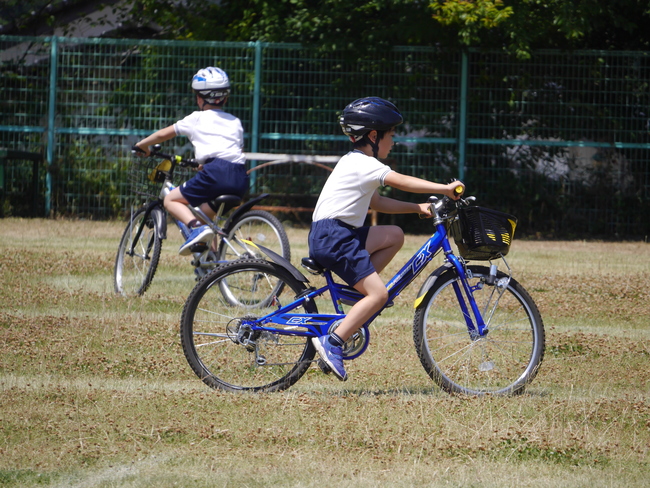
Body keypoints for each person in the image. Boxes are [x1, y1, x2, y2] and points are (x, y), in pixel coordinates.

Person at [309, 97, 465, 381]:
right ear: (373, 136)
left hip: (338, 233)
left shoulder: (356, 162)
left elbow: (378, 202)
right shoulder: (364, 164)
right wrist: (445, 188)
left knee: (393, 234)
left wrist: (416, 208)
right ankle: (333, 342)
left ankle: (361, 299)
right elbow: (399, 180)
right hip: (336, 237)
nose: (393, 141)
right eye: (391, 135)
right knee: (380, 295)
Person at [135, 66, 249, 255]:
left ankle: (196, 228)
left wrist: (142, 145)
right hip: (239, 178)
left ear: (198, 97)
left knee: (171, 199)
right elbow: (234, 151)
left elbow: (164, 133)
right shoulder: (235, 121)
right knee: (205, 215)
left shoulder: (196, 118)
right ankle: (211, 265)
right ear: (225, 97)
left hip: (215, 174)